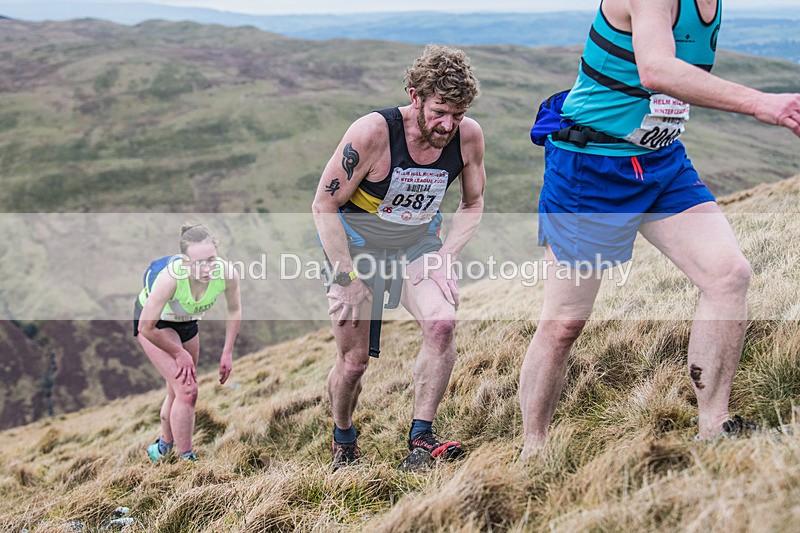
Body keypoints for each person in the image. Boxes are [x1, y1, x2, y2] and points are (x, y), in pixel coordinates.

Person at [520, 0, 800, 460]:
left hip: (660, 160)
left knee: (728, 276)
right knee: (565, 321)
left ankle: (715, 427)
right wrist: (761, 103)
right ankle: (533, 450)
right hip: (589, 167)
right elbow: (656, 70)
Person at [311, 45, 486, 470]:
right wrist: (346, 276)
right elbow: (323, 205)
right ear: (415, 96)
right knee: (352, 363)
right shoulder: (372, 133)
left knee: (442, 324)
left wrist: (445, 255)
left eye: (458, 114)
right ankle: (344, 438)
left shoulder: (468, 136)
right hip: (357, 250)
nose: (448, 125)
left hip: (417, 245)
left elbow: (473, 202)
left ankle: (422, 435)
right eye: (440, 111)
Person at [134, 223, 241, 462]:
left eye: (211, 259)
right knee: (188, 389)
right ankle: (185, 459)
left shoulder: (226, 273)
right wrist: (178, 353)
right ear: (185, 261)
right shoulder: (170, 279)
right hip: (156, 325)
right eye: (199, 262)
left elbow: (234, 310)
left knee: (176, 391)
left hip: (187, 323)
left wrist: (227, 352)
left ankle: (163, 448)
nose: (207, 268)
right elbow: (145, 327)